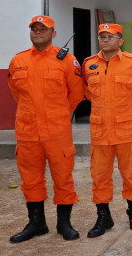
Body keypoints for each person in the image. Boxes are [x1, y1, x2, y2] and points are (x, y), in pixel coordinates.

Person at [7, 15, 85, 243]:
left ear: (54, 33)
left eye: (44, 29)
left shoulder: (67, 61)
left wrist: (58, 113)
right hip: (27, 131)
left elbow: (77, 93)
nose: (38, 32)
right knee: (30, 179)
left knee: (62, 177)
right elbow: (15, 91)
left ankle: (64, 224)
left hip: (56, 132)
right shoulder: (18, 60)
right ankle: (37, 223)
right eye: (34, 28)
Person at [82, 23, 132, 238]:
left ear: (121, 40)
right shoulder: (89, 64)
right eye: (102, 36)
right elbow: (88, 93)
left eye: (110, 36)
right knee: (100, 176)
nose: (105, 40)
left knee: (130, 174)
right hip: (100, 132)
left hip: (126, 131)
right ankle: (103, 217)